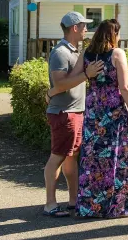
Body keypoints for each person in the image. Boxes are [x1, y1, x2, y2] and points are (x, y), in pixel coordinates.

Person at [43, 12, 104, 218]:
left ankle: (73, 201)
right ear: (74, 28)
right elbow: (60, 83)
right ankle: (50, 204)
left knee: (71, 158)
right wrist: (87, 75)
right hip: (64, 114)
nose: (86, 29)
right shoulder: (60, 52)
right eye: (84, 25)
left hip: (74, 112)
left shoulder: (74, 51)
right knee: (57, 157)